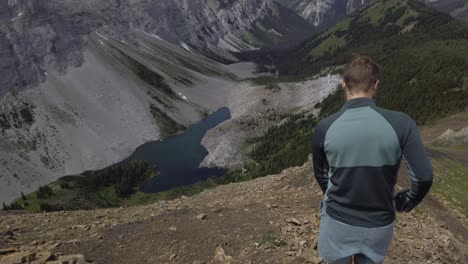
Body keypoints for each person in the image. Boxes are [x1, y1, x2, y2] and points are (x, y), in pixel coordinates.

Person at [312, 56, 433, 264]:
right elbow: (423, 177)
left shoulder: (324, 127)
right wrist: (407, 200)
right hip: (379, 224)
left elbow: (322, 176)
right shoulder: (402, 124)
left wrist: (337, 195)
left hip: (337, 221)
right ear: (375, 85)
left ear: (343, 84)